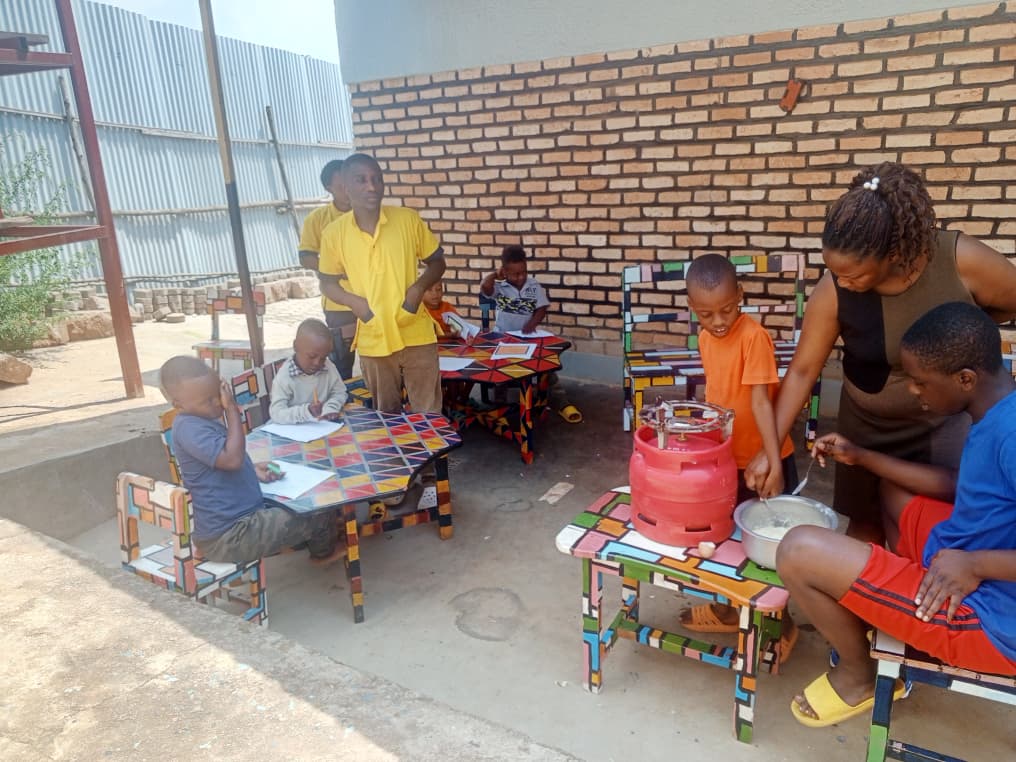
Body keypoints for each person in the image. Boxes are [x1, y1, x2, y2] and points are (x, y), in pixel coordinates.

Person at [745, 161, 1016, 545]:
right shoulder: (834, 288)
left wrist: (966, 327)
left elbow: (1007, 305)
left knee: (937, 533)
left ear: (894, 253)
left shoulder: (959, 262)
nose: (842, 282)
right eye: (834, 271)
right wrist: (768, 449)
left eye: (854, 275)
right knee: (865, 533)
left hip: (940, 429)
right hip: (865, 429)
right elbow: (804, 370)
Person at [777, 302, 1016, 728]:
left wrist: (975, 564)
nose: (913, 391)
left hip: (991, 618)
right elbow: (960, 485)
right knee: (892, 488)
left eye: (920, 382)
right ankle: (910, 620)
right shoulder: (998, 411)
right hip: (966, 555)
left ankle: (857, 676)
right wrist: (862, 456)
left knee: (797, 549)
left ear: (965, 379)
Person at [677, 255, 798, 648]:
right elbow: (717, 396)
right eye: (706, 314)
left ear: (740, 297)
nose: (718, 321)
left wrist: (774, 461)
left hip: (766, 462)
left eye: (727, 309)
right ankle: (729, 611)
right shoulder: (705, 338)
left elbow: (762, 403)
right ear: (693, 309)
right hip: (731, 462)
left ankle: (783, 626)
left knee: (770, 552)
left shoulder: (753, 337)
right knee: (730, 542)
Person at [316, 153, 445, 509]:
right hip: (373, 337)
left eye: (376, 178)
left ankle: (433, 480)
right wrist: (354, 303)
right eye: (361, 179)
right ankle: (398, 480)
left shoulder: (406, 220)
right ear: (345, 185)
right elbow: (327, 281)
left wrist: (417, 290)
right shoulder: (334, 233)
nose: (372, 186)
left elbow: (438, 261)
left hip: (415, 331)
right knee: (386, 414)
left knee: (428, 412)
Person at [159, 355, 343, 565]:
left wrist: (251, 469)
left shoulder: (199, 420)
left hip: (237, 523)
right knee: (315, 511)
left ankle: (301, 538)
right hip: (231, 536)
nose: (218, 402)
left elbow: (220, 461)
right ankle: (324, 552)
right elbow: (232, 460)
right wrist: (231, 409)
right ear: (178, 404)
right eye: (207, 400)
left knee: (296, 502)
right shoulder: (188, 428)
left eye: (217, 394)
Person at [479, 244, 583, 423]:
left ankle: (560, 400)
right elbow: (485, 287)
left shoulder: (533, 285)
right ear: (504, 271)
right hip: (503, 338)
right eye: (515, 274)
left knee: (547, 364)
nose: (521, 277)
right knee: (499, 370)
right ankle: (500, 406)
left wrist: (532, 324)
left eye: (524, 272)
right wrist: (495, 275)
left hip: (527, 337)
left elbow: (542, 308)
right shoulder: (499, 286)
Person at [298, 159, 355, 379]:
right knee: (342, 364)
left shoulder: (371, 215)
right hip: (338, 303)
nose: (349, 190)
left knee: (381, 361)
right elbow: (306, 257)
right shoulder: (318, 219)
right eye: (342, 186)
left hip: (375, 299)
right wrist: (334, 270)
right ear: (329, 188)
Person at [269, 318, 348, 424]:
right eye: (312, 356)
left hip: (322, 427)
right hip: (292, 431)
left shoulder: (328, 367)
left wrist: (330, 409)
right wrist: (306, 412)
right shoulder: (285, 377)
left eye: (323, 358)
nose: (317, 363)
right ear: (296, 347)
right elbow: (276, 413)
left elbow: (340, 392)